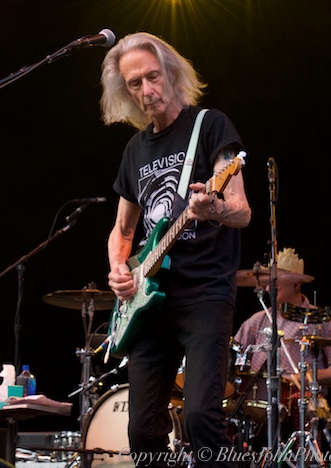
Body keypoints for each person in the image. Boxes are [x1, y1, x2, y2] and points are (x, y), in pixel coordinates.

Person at [102, 32, 252, 467]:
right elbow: (122, 230)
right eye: (135, 84)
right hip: (148, 301)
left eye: (153, 76)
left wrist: (212, 208)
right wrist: (118, 268)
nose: (147, 90)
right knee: (142, 430)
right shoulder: (134, 150)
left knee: (203, 415)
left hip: (204, 293)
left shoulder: (210, 125)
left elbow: (241, 211)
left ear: (170, 72)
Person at [233, 248, 331, 424]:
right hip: (256, 403)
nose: (268, 288)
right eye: (267, 283)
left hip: (300, 401)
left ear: (295, 285)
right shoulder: (257, 321)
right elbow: (233, 356)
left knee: (303, 404)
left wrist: (307, 376)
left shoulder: (321, 321)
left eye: (275, 284)